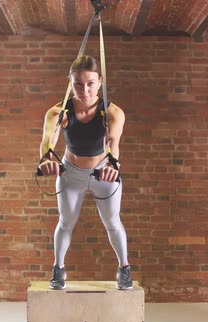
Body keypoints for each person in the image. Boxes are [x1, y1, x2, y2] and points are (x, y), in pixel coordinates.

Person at [38, 55, 132, 290]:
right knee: (66, 222)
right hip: (71, 173)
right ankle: (58, 269)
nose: (85, 89)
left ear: (99, 82)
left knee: (112, 222)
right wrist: (45, 160)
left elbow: (114, 143)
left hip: (103, 174)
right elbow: (48, 141)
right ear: (70, 83)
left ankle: (124, 269)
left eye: (90, 83)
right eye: (78, 83)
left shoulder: (113, 112)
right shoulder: (58, 112)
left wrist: (113, 165)